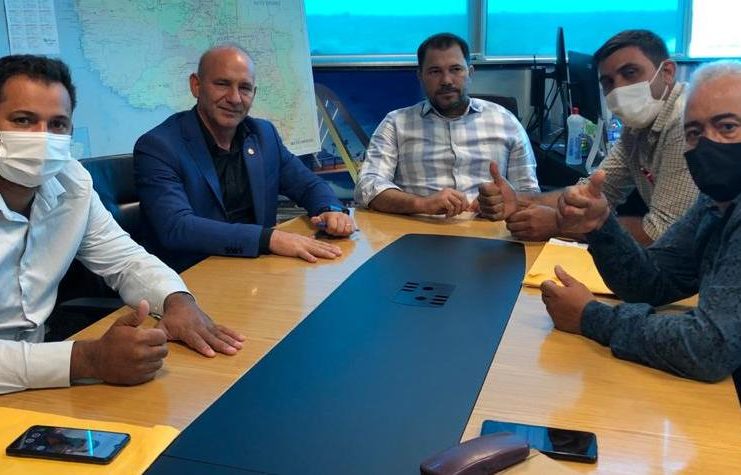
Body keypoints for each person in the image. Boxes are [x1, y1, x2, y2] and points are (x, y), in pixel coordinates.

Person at [0, 55, 244, 395]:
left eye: (57, 124)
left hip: (39, 385)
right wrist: (87, 360)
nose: (43, 138)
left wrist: (176, 301)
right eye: (23, 120)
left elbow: (126, 260)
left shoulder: (72, 183)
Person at [540, 60, 741, 382]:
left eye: (728, 127)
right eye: (694, 132)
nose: (707, 143)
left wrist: (591, 317)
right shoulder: (714, 202)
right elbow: (652, 282)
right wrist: (600, 226)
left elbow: (709, 347)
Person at [134, 44, 354, 272]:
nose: (235, 98)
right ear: (196, 85)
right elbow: (176, 227)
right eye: (222, 84)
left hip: (257, 271)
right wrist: (269, 239)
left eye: (245, 88)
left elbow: (308, 185)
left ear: (254, 94)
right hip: (191, 276)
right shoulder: (159, 146)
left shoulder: (264, 135)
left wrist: (331, 210)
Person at [479, 30, 698, 246]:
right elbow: (594, 192)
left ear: (667, 72)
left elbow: (663, 232)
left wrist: (560, 225)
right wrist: (518, 200)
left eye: (630, 73)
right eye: (608, 82)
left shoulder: (686, 121)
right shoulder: (636, 126)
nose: (619, 89)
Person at [354, 32, 539, 217]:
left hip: (488, 227)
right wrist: (422, 204)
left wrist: (503, 202)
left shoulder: (505, 121)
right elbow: (367, 187)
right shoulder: (396, 124)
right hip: (419, 228)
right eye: (435, 72)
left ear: (470, 73)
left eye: (456, 69)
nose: (446, 81)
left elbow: (530, 193)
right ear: (420, 76)